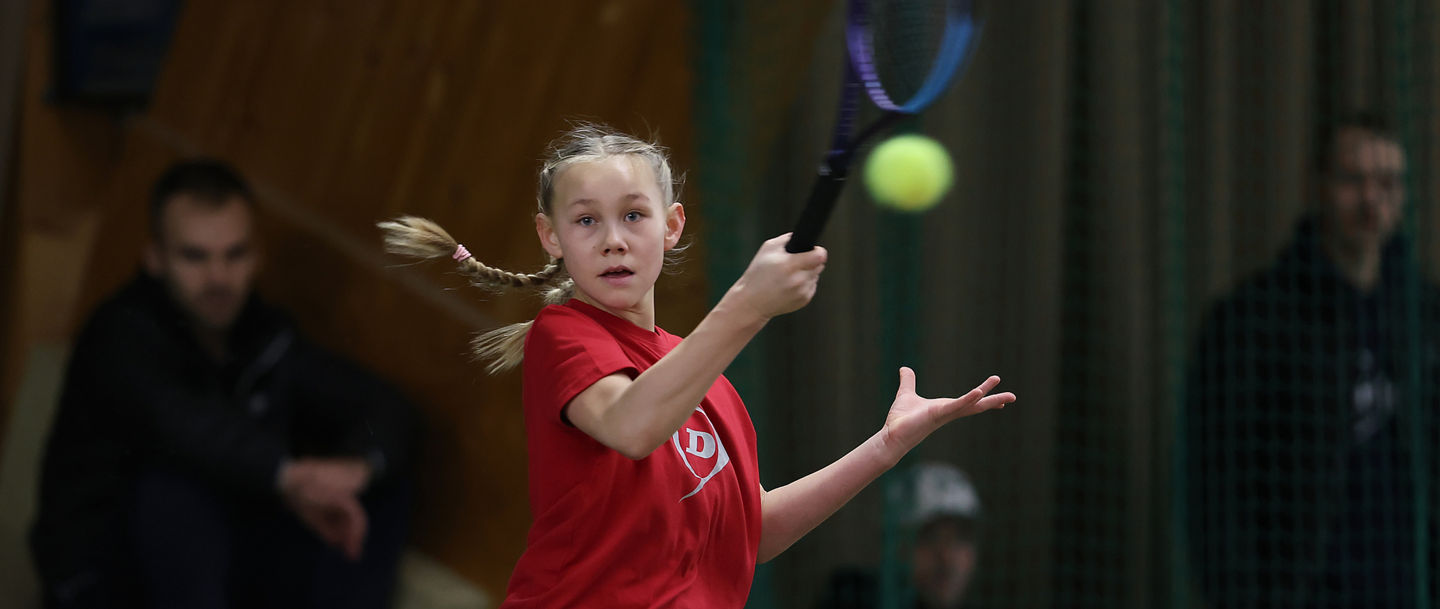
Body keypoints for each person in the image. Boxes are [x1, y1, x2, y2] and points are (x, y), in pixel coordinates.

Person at [378, 123, 1015, 608]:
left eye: (633, 214)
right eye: (585, 221)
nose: (613, 239)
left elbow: (754, 533)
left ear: (672, 225)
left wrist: (886, 446)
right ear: (552, 237)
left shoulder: (706, 380)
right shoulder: (563, 335)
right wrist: (747, 304)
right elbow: (631, 426)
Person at [30, 159, 418, 609]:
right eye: (195, 256)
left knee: (378, 484)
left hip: (219, 567)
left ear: (257, 257)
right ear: (155, 258)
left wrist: (356, 470)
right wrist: (290, 477)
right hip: (102, 575)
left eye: (234, 254)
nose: (218, 278)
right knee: (176, 487)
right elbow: (184, 425)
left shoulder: (266, 334)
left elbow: (387, 406)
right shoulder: (120, 333)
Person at [1185, 112, 1439, 609]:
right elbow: (1215, 478)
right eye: (1353, 180)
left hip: (1411, 581)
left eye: (1387, 182)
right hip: (1299, 586)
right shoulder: (1253, 319)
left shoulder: (1425, 314)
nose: (1372, 200)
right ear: (1318, 185)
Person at [815, 462, 984, 609]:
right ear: (895, 545)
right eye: (930, 538)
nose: (947, 558)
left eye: (961, 540)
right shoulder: (851, 597)